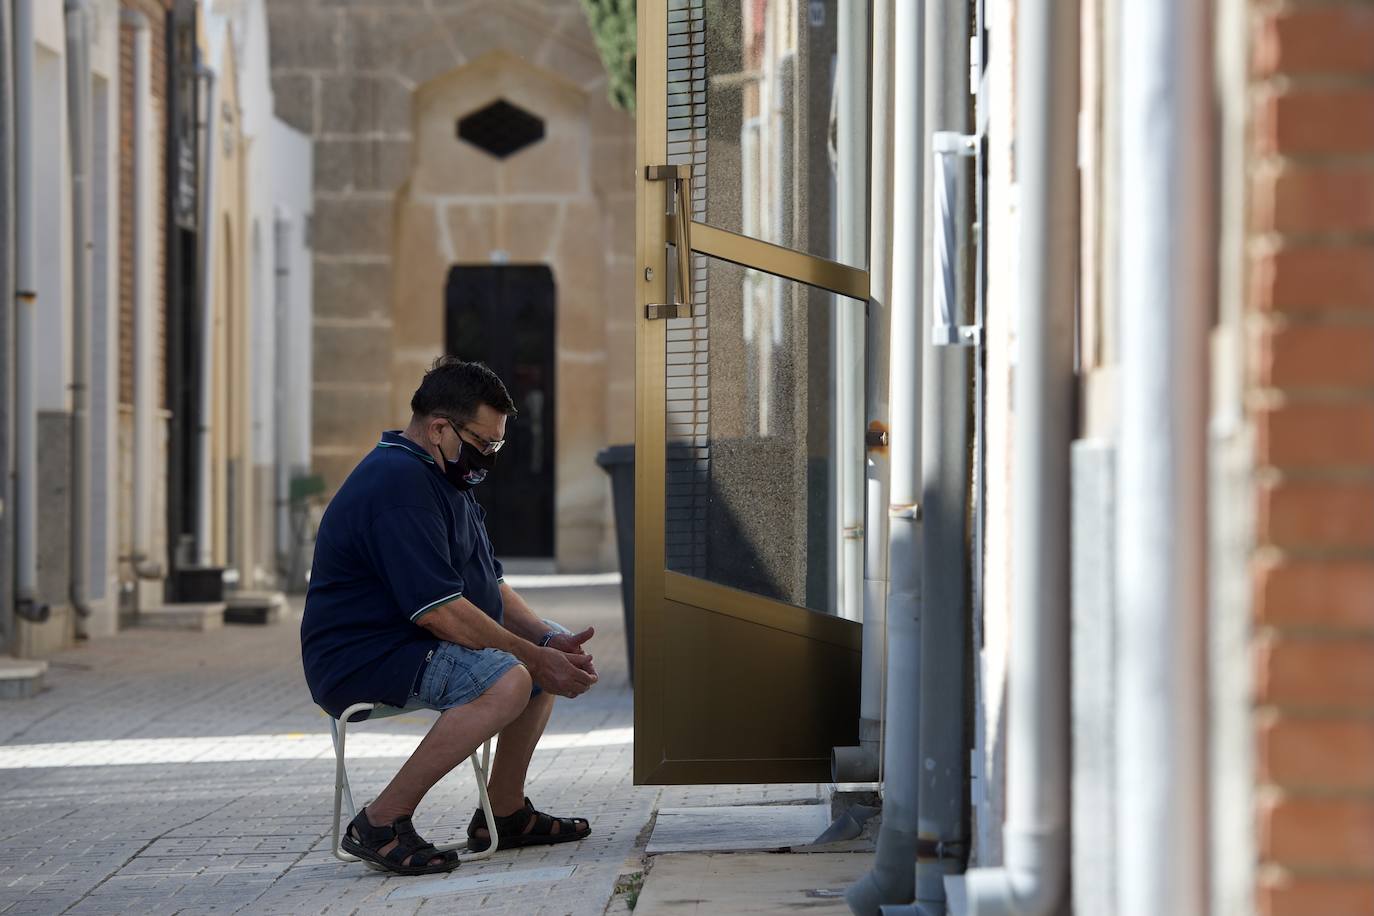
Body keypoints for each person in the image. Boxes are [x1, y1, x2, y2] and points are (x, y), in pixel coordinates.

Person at [301, 357, 599, 876]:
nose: (489, 456)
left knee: (536, 656)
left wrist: (548, 640)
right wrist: (530, 656)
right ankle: (380, 821)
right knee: (508, 679)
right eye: (484, 443)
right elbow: (440, 612)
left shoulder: (443, 479)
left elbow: (492, 586)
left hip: (410, 643)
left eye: (497, 445)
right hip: (363, 657)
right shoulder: (398, 486)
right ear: (439, 428)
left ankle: (504, 815)